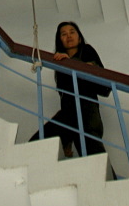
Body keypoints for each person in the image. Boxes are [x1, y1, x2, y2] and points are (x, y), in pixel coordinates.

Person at [30, 21, 111, 158]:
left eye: (72, 32)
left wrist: (73, 63)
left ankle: (112, 180)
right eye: (64, 34)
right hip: (69, 116)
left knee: (94, 158)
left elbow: (105, 87)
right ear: (60, 40)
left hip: (87, 114)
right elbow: (66, 98)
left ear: (79, 37)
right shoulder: (60, 62)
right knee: (35, 145)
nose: (69, 36)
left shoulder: (87, 50)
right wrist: (66, 141)